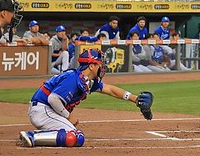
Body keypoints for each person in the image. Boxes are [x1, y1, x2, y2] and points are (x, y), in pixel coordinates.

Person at [19, 48, 153, 147]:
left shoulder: (88, 80)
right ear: (91, 66)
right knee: (75, 137)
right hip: (43, 110)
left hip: (48, 111)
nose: (103, 66)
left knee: (74, 136)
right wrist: (68, 116)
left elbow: (111, 90)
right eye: (100, 64)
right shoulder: (73, 78)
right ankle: (33, 136)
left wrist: (135, 99)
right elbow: (53, 99)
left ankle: (42, 134)